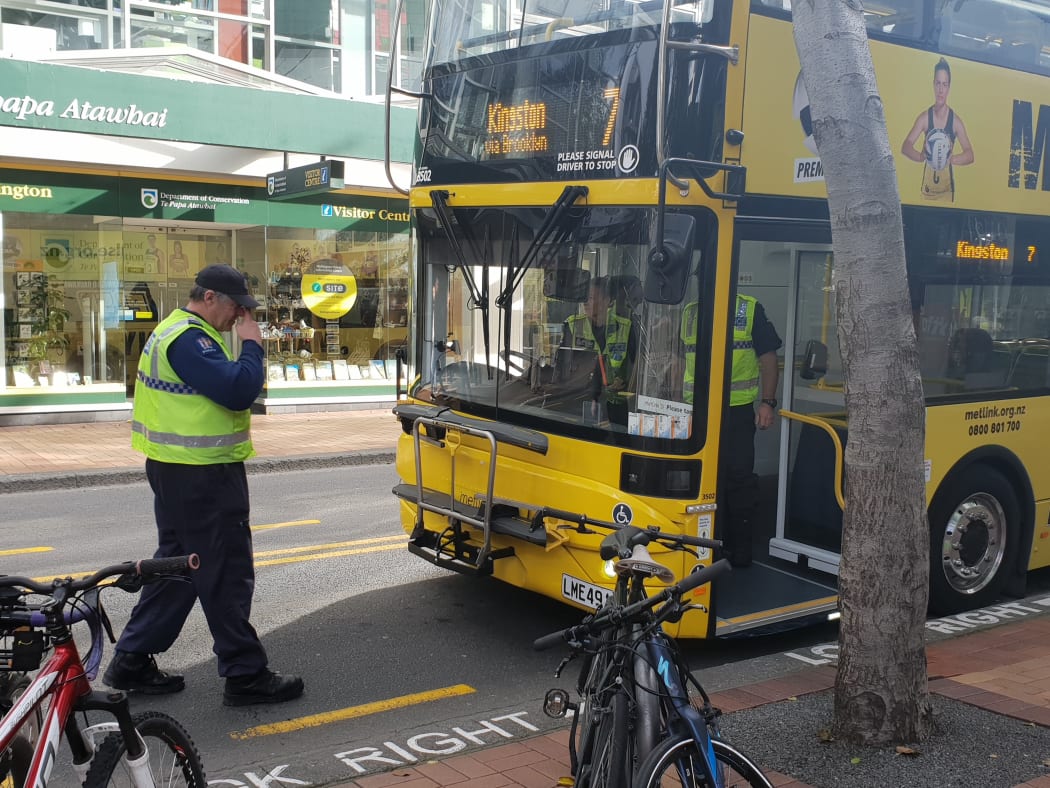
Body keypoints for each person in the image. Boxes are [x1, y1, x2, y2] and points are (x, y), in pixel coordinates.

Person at [104, 264, 304, 706]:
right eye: (237, 307)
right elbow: (238, 390)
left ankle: (132, 660)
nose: (240, 317)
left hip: (177, 469)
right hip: (203, 475)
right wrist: (253, 345)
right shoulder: (189, 339)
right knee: (225, 572)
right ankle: (245, 673)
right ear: (210, 297)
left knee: (179, 567)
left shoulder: (175, 330)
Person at [682, 293, 781, 567]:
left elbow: (769, 359)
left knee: (738, 479)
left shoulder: (749, 309)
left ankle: (740, 551)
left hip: (735, 410)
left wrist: (767, 402)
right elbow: (681, 358)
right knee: (701, 478)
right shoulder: (690, 309)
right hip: (695, 409)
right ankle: (709, 545)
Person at [559, 275, 636, 425]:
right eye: (584, 297)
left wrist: (624, 382)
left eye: (591, 297)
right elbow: (562, 367)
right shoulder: (573, 325)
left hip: (616, 404)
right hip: (579, 401)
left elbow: (633, 369)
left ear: (607, 301)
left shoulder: (626, 328)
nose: (585, 302)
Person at [901, 57, 974, 202]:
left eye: (945, 85)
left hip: (947, 193)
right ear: (933, 85)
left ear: (949, 87)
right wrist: (921, 156)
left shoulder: (955, 122)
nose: (941, 90)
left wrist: (951, 158)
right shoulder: (924, 118)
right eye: (938, 84)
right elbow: (906, 146)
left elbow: (970, 155)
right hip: (927, 191)